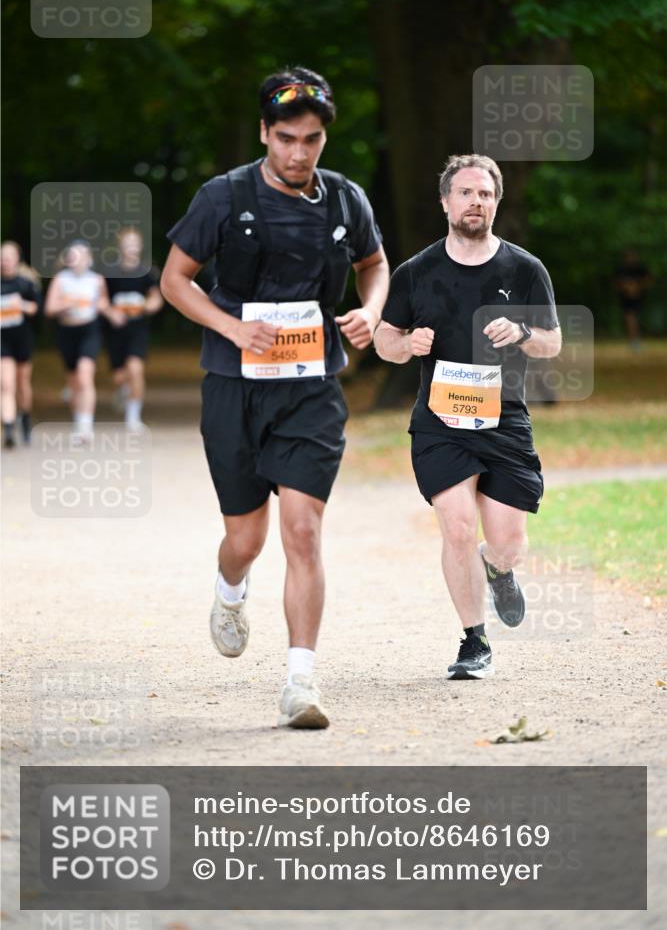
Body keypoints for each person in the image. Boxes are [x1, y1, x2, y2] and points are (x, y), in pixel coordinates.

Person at [162, 67, 389, 728]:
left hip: (311, 389)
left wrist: (371, 312)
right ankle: (230, 589)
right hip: (234, 388)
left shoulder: (345, 199)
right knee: (245, 538)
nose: (298, 152)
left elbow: (373, 265)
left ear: (324, 139)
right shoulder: (223, 196)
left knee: (303, 530)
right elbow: (175, 280)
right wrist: (232, 327)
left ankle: (300, 682)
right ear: (264, 133)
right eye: (286, 138)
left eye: (311, 139)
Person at [374, 154, 561, 679]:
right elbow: (384, 339)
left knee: (507, 544)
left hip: (504, 419)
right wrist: (407, 344)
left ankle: (497, 568)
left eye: (485, 194)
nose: (476, 202)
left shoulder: (525, 270)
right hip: (440, 421)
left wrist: (523, 333)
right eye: (465, 193)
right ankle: (474, 642)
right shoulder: (416, 272)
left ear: (496, 203)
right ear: (445, 202)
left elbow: (552, 342)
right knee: (456, 527)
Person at [44, 240, 118, 442]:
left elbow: (103, 303)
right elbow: (49, 309)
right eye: (73, 256)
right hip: (67, 332)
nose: (76, 260)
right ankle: (78, 422)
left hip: (89, 330)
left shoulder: (96, 280)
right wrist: (66, 305)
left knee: (85, 376)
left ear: (88, 259)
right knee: (74, 381)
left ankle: (86, 427)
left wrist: (112, 314)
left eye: (81, 256)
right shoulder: (61, 280)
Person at [104, 227, 164, 431]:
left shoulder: (147, 271)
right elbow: (102, 299)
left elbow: (156, 298)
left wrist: (148, 306)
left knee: (135, 369)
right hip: (116, 330)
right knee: (119, 376)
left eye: (134, 243)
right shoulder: (110, 272)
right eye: (127, 243)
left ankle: (133, 416)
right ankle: (123, 389)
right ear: (120, 246)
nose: (131, 247)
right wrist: (111, 313)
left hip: (138, 329)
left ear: (140, 246)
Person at [1, 241, 40, 447]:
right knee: (6, 384)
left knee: (22, 384)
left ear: (17, 259)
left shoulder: (25, 283)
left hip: (22, 340)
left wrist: (21, 305)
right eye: (3, 257)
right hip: (2, 341)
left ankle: (25, 416)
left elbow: (36, 309)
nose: (5, 261)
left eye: (9, 257)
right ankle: (8, 428)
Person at [614, 248, 652, 351]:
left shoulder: (640, 268)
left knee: (634, 318)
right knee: (630, 317)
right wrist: (626, 288)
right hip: (625, 298)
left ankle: (635, 340)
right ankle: (634, 341)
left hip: (638, 297)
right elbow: (616, 283)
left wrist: (637, 288)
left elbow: (648, 280)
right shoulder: (621, 269)